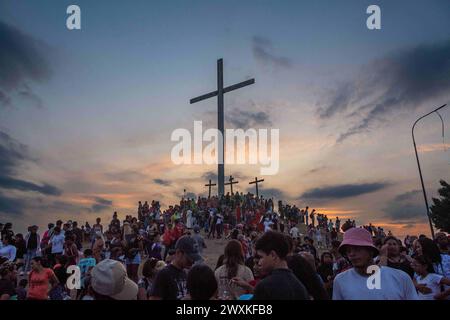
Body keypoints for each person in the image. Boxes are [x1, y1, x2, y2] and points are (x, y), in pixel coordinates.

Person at [332, 228, 418, 300]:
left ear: (371, 251)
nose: (352, 254)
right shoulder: (340, 281)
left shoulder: (401, 278)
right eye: (348, 251)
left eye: (357, 249)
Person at [252, 231, 309, 300]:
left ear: (273, 255)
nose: (259, 263)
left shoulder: (265, 286)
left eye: (261, 257)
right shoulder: (300, 286)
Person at [150, 235, 202, 300]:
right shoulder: (164, 274)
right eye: (189, 258)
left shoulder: (185, 273)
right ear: (178, 253)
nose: (192, 261)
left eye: (194, 258)